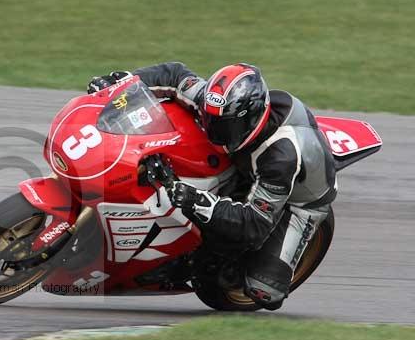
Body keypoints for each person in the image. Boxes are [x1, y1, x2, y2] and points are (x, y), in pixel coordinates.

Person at [87, 63, 336, 310]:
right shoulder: (218, 105)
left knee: (265, 291)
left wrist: (197, 201)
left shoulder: (280, 158)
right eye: (211, 119)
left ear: (250, 120)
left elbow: (254, 224)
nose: (213, 131)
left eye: (224, 126)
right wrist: (123, 83)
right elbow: (174, 75)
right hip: (247, 165)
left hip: (300, 202)